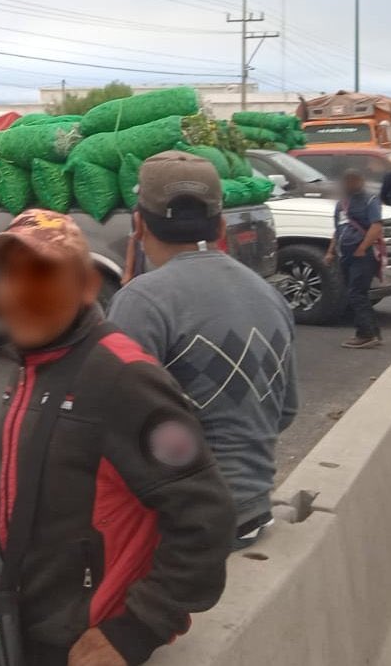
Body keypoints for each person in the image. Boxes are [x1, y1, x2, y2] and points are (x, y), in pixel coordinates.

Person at [0, 209, 235, 666]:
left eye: (43, 276)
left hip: (85, 641)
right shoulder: (31, 368)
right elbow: (29, 478)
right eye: (10, 277)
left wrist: (136, 629)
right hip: (30, 626)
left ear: (85, 286)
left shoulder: (124, 379)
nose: (23, 293)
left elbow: (206, 515)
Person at [108, 151, 299, 550]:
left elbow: (115, 428)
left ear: (138, 224)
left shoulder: (143, 301)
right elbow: (285, 410)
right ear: (221, 224)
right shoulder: (269, 294)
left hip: (182, 533)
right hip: (251, 516)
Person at [325, 169, 384, 349]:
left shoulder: (370, 200)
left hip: (363, 256)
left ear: (361, 181)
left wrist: (362, 248)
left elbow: (376, 227)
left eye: (354, 180)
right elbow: (338, 229)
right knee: (357, 294)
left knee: (356, 294)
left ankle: (365, 334)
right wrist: (330, 252)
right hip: (346, 255)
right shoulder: (342, 204)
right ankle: (373, 332)